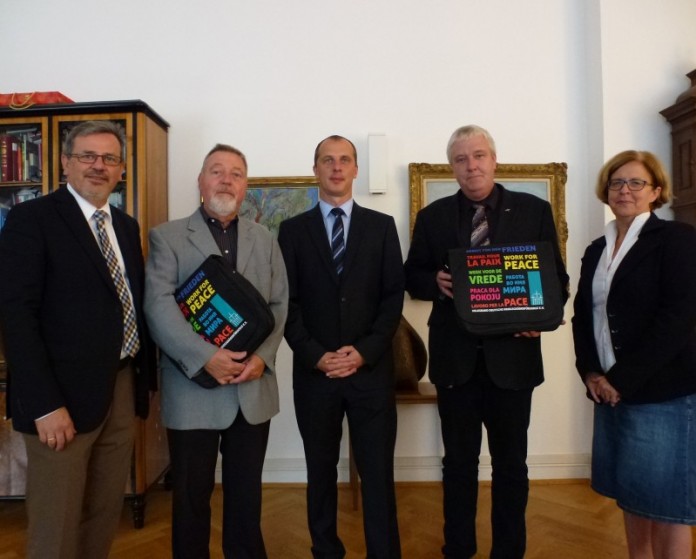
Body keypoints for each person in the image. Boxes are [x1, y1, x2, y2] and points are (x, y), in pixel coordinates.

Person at [404, 125, 569, 559]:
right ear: (452, 167)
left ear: (494, 160)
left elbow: (556, 279)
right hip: (455, 361)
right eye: (461, 159)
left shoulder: (533, 210)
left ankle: (508, 551)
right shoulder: (433, 217)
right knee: (457, 465)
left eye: (478, 156)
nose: (471, 165)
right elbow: (412, 275)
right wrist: (433, 282)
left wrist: (544, 319)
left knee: (511, 465)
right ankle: (457, 549)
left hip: (513, 360)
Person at [0, 120, 154, 559]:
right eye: (87, 156)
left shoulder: (124, 226)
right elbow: (16, 317)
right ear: (66, 162)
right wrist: (45, 404)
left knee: (103, 509)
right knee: (57, 521)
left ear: (122, 169)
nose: (98, 166)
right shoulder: (33, 220)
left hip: (121, 387)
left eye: (109, 158)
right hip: (59, 400)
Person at [144, 143, 288, 559]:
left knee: (247, 499)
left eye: (236, 173)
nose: (226, 179)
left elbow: (280, 304)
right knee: (191, 499)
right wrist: (205, 356)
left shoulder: (266, 238)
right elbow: (158, 306)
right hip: (192, 391)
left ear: (245, 186)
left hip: (252, 388)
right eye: (217, 171)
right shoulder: (167, 236)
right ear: (201, 181)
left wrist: (262, 358)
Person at [278, 135, 404, 559]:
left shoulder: (381, 227)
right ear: (315, 169)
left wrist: (363, 352)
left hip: (370, 372)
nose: (336, 167)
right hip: (315, 375)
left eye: (344, 160)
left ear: (355, 170)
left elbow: (392, 300)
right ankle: (326, 550)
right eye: (327, 160)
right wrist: (316, 355)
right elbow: (286, 304)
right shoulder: (292, 232)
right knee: (320, 472)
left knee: (377, 474)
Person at [572, 150, 696, 559]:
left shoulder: (677, 240)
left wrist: (618, 380)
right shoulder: (596, 249)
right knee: (634, 495)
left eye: (636, 183)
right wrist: (590, 373)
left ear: (656, 191)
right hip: (608, 393)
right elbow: (582, 317)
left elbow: (678, 320)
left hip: (663, 394)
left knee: (668, 505)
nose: (624, 190)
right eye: (616, 182)